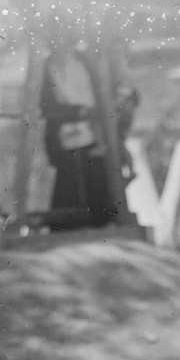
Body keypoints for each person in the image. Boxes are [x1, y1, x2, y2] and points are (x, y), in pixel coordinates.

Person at [40, 41, 121, 228]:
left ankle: (101, 224)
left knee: (95, 181)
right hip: (65, 135)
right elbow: (46, 107)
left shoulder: (83, 62)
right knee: (68, 184)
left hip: (91, 134)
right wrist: (77, 111)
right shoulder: (46, 68)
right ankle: (64, 227)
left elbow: (99, 94)